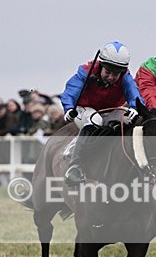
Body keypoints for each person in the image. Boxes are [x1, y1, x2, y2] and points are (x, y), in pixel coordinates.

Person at [60, 41, 144, 185]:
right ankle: (75, 166)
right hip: (84, 109)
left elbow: (134, 94)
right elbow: (70, 92)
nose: (111, 77)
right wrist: (68, 109)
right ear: (101, 67)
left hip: (111, 109)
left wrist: (135, 108)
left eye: (116, 74)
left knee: (129, 122)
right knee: (96, 120)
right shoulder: (86, 72)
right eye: (108, 72)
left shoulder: (126, 77)